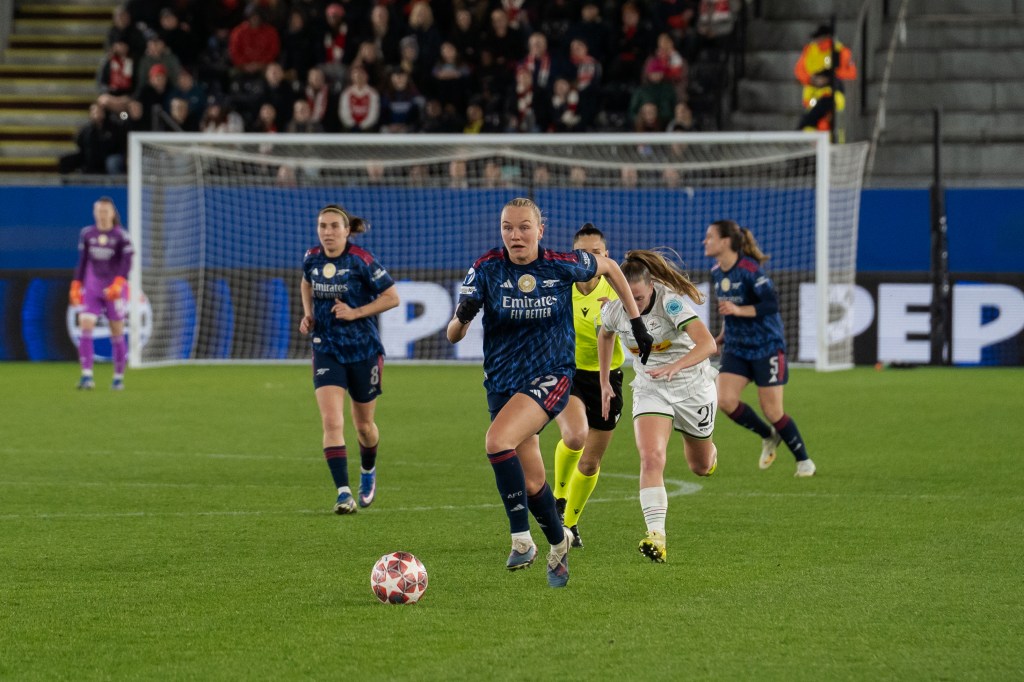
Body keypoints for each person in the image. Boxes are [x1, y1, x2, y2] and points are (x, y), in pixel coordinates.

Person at [447, 198, 652, 588]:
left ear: (540, 230)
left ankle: (521, 540)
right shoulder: (486, 268)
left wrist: (636, 321)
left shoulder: (562, 264)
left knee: (497, 442)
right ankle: (559, 544)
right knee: (532, 482)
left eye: (524, 227)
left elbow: (611, 267)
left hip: (552, 376)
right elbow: (453, 334)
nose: (515, 235)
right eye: (508, 227)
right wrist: (462, 318)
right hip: (502, 383)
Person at [598, 249, 719, 563]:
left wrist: (676, 365)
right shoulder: (616, 309)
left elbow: (708, 344)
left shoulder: (670, 303)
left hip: (692, 387)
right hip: (651, 387)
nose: (633, 305)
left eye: (638, 298)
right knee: (651, 456)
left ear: (651, 287)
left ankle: (710, 453)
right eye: (626, 297)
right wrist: (604, 379)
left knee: (700, 466)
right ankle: (656, 536)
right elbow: (605, 336)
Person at [299, 205, 401, 514]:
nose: (327, 232)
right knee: (332, 421)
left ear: (346, 231)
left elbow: (392, 297)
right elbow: (306, 282)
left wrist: (355, 312)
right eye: (322, 226)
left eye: (334, 226)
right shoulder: (312, 257)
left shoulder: (361, 260)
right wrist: (308, 314)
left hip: (363, 350)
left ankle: (368, 470)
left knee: (364, 427)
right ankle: (343, 494)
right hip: (326, 348)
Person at [703, 219, 816, 477]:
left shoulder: (750, 270)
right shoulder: (716, 272)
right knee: (725, 400)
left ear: (725, 241)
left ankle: (804, 461)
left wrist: (738, 310)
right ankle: (768, 435)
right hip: (737, 347)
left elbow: (771, 304)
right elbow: (728, 312)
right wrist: (720, 337)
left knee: (773, 411)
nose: (705, 241)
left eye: (710, 237)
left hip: (767, 347)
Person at [552, 224, 627, 549]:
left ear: (606, 255)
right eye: (583, 253)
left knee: (591, 461)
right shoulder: (560, 287)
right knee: (574, 436)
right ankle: (558, 497)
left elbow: (636, 329)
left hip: (608, 378)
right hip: (567, 372)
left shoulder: (617, 290)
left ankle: (570, 523)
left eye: (596, 253)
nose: (590, 259)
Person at [69, 197, 133, 390]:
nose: (102, 215)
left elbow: (127, 262)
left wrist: (119, 283)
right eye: (99, 211)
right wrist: (76, 284)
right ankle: (87, 376)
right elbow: (82, 261)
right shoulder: (87, 234)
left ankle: (118, 378)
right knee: (85, 326)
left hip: (114, 291)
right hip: (92, 288)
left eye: (105, 211)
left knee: (117, 331)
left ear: (112, 213)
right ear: (94, 213)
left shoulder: (121, 236)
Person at [794, 24, 857, 135]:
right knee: (810, 130)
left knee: (827, 129)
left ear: (827, 37)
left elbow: (851, 74)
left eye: (820, 38)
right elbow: (799, 71)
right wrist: (812, 79)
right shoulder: (810, 50)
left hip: (831, 97)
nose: (817, 41)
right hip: (813, 98)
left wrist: (829, 78)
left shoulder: (840, 51)